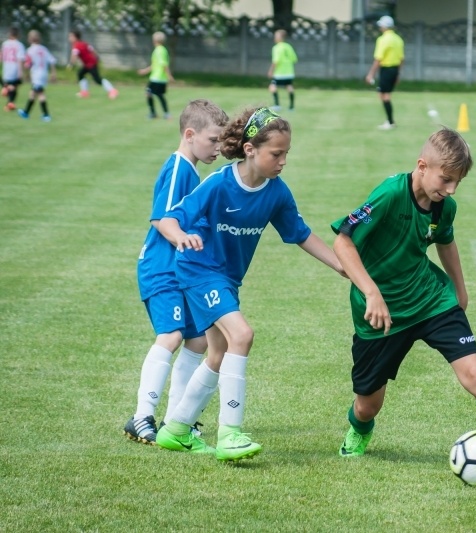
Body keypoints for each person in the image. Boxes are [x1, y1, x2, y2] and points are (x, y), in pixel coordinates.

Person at [330, 127, 476, 480]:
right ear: (422, 166)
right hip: (381, 314)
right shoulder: (389, 194)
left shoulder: (445, 206)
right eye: (446, 179)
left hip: (431, 300)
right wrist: (371, 292)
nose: (451, 189)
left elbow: (446, 242)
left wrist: (459, 289)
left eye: (458, 182)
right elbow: (343, 243)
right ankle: (359, 431)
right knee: (368, 405)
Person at [155, 107, 344, 461]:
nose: (283, 161)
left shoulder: (277, 193)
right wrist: (181, 236)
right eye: (277, 153)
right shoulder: (218, 184)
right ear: (250, 150)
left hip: (226, 278)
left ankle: (176, 429)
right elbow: (168, 218)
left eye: (287, 153)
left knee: (218, 353)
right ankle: (230, 434)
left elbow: (300, 234)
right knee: (241, 335)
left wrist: (339, 265)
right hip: (197, 270)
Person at [124, 99, 229, 445]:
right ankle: (141, 416)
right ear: (189, 134)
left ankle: (176, 418)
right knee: (170, 337)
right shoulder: (179, 167)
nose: (218, 147)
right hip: (161, 269)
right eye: (213, 140)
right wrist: (182, 236)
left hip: (183, 271)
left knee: (197, 339)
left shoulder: (193, 170)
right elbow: (161, 217)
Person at [365, 15, 404, 130]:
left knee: (384, 95)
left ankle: (390, 122)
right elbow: (402, 59)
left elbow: (378, 59)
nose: (380, 27)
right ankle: (390, 120)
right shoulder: (398, 39)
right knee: (384, 94)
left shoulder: (383, 39)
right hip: (395, 69)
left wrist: (370, 74)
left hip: (386, 69)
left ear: (385, 26)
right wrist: (398, 74)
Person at [17, 30, 56, 123]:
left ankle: (46, 115)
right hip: (44, 74)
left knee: (40, 94)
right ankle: (26, 112)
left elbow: (28, 64)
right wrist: (53, 73)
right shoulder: (44, 49)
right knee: (32, 93)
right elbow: (52, 60)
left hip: (37, 75)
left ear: (29, 39)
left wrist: (25, 72)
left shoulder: (30, 50)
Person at [68, 30, 118, 100]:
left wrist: (71, 64)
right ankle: (84, 92)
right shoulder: (84, 43)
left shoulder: (76, 45)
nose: (69, 38)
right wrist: (97, 58)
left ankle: (112, 90)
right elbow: (92, 50)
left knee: (97, 79)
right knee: (80, 74)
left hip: (90, 64)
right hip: (91, 63)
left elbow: (74, 56)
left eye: (70, 36)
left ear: (75, 37)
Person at [138, 31, 174, 120]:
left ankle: (154, 113)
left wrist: (169, 75)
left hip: (157, 78)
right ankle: (166, 113)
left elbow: (164, 64)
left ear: (154, 40)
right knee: (158, 94)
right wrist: (145, 71)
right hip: (160, 78)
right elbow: (155, 65)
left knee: (149, 93)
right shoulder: (162, 50)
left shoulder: (159, 50)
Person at [267, 29, 297, 111]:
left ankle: (277, 105)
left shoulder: (277, 48)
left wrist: (271, 71)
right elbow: (294, 59)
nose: (275, 37)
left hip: (279, 73)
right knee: (289, 86)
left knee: (272, 86)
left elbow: (275, 61)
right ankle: (291, 107)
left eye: (276, 36)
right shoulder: (288, 46)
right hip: (289, 72)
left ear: (281, 37)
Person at [1, 27, 26, 111]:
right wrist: (21, 72)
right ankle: (10, 103)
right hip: (14, 68)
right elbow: (20, 59)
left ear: (10, 34)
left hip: (6, 67)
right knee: (14, 87)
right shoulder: (19, 45)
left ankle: (7, 94)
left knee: (11, 86)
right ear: (18, 35)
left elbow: (2, 56)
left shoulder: (5, 44)